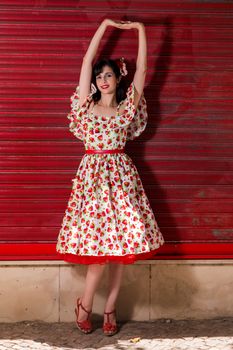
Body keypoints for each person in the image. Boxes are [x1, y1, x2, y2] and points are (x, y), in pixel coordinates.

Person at [56, 18, 165, 336]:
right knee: (98, 251)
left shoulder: (126, 109)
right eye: (100, 76)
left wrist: (140, 31)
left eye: (109, 75)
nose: (103, 79)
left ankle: (110, 309)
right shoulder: (84, 107)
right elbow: (87, 61)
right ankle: (85, 304)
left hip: (120, 179)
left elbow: (143, 71)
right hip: (92, 180)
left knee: (121, 250)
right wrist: (105, 25)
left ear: (118, 79)